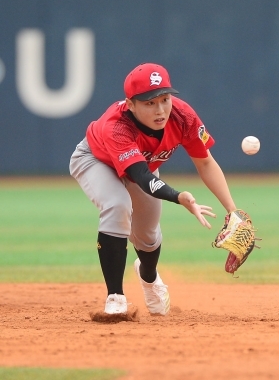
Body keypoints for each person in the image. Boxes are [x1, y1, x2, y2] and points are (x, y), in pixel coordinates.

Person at [70, 63, 239, 317]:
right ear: (130, 104)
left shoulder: (183, 116)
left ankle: (149, 277)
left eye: (164, 99)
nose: (160, 110)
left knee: (147, 237)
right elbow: (140, 176)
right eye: (149, 103)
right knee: (118, 205)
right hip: (96, 160)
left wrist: (233, 211)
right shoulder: (116, 126)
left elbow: (205, 162)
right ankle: (115, 297)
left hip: (144, 168)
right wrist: (178, 196)